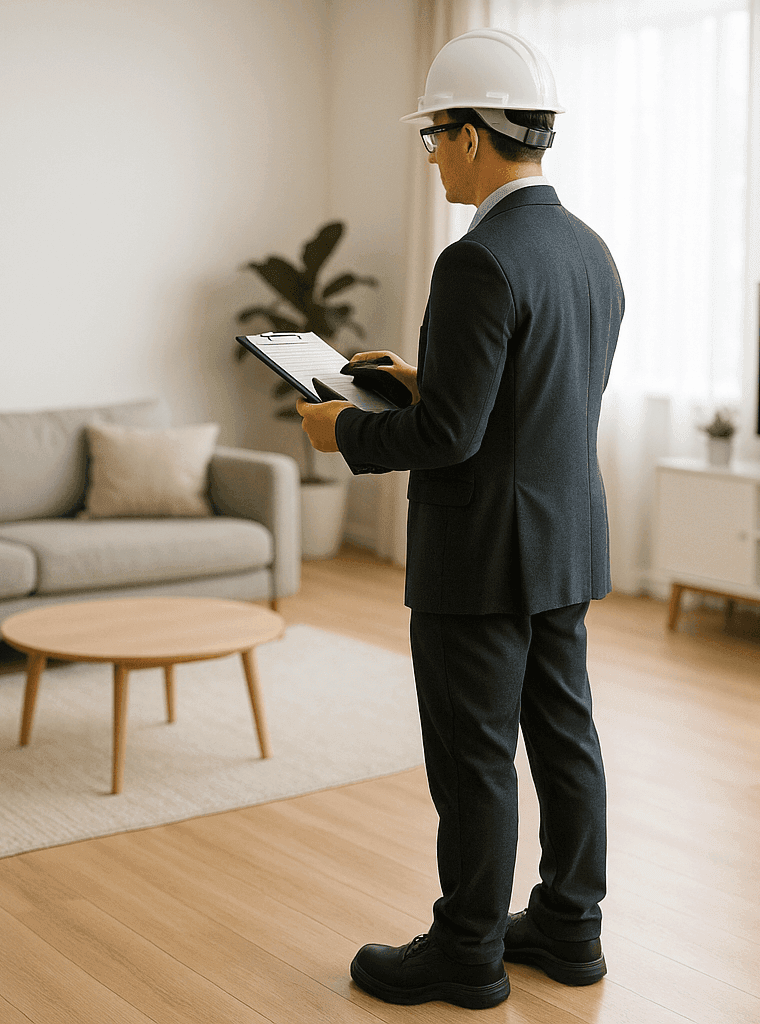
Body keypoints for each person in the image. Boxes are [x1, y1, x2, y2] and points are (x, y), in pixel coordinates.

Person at [295, 27, 625, 1011]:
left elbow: (449, 438)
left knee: (475, 753)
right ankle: (570, 926)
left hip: (480, 555)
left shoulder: (478, 260)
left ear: (476, 136)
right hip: (563, 539)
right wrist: (421, 379)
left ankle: (468, 949)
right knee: (565, 737)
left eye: (436, 136)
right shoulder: (588, 251)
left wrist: (341, 432)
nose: (433, 154)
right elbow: (533, 400)